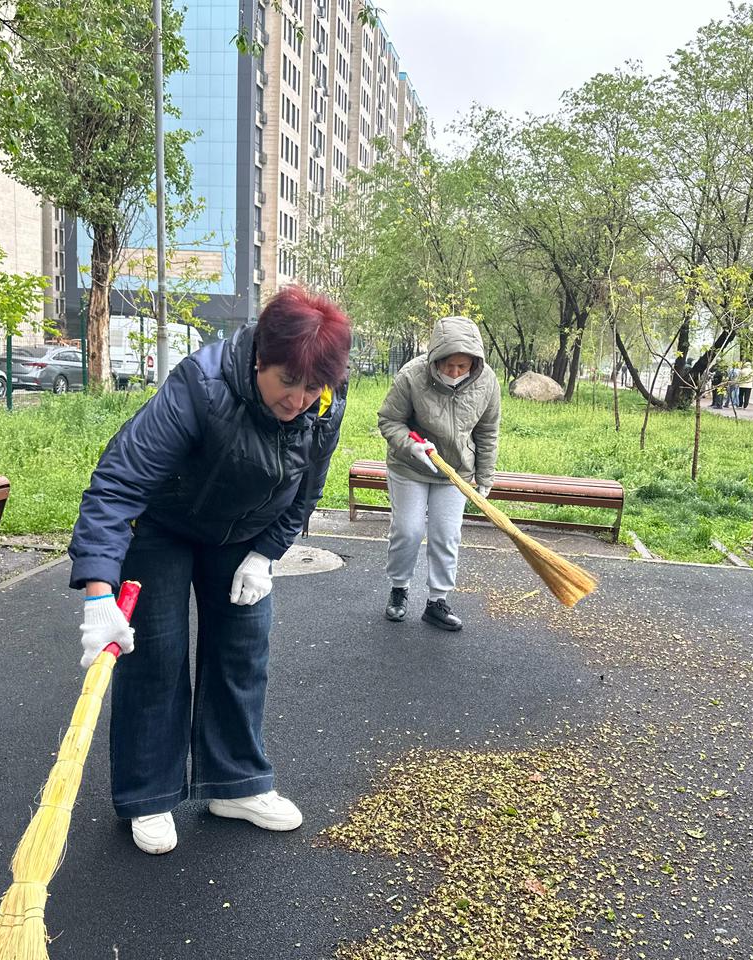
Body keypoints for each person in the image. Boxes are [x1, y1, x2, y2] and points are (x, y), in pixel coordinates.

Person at [68, 287, 350, 855]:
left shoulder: (325, 400)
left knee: (243, 649)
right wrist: (99, 595)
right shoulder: (201, 385)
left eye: (313, 387)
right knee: (157, 653)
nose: (299, 400)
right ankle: (149, 794)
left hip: (244, 534)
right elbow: (118, 483)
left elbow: (307, 487)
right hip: (167, 526)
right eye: (287, 383)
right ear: (259, 360)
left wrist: (268, 552)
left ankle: (235, 784)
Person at [377, 316, 500, 633]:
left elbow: (487, 432)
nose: (456, 372)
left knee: (446, 536)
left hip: (455, 472)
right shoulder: (412, 376)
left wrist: (484, 479)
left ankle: (437, 602)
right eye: (450, 366)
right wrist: (410, 446)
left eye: (464, 366)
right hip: (411, 465)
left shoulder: (487, 382)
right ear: (436, 359)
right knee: (408, 530)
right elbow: (389, 420)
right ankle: (399, 589)